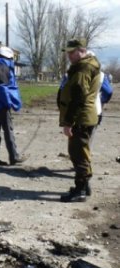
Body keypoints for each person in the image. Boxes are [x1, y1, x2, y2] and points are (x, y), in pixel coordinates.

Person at [58, 38, 100, 202]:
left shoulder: (83, 68)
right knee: (82, 153)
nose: (69, 55)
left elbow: (78, 98)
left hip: (81, 118)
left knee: (78, 155)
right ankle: (84, 186)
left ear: (82, 51)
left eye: (72, 52)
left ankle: (80, 190)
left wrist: (68, 122)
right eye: (68, 52)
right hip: (85, 116)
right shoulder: (87, 65)